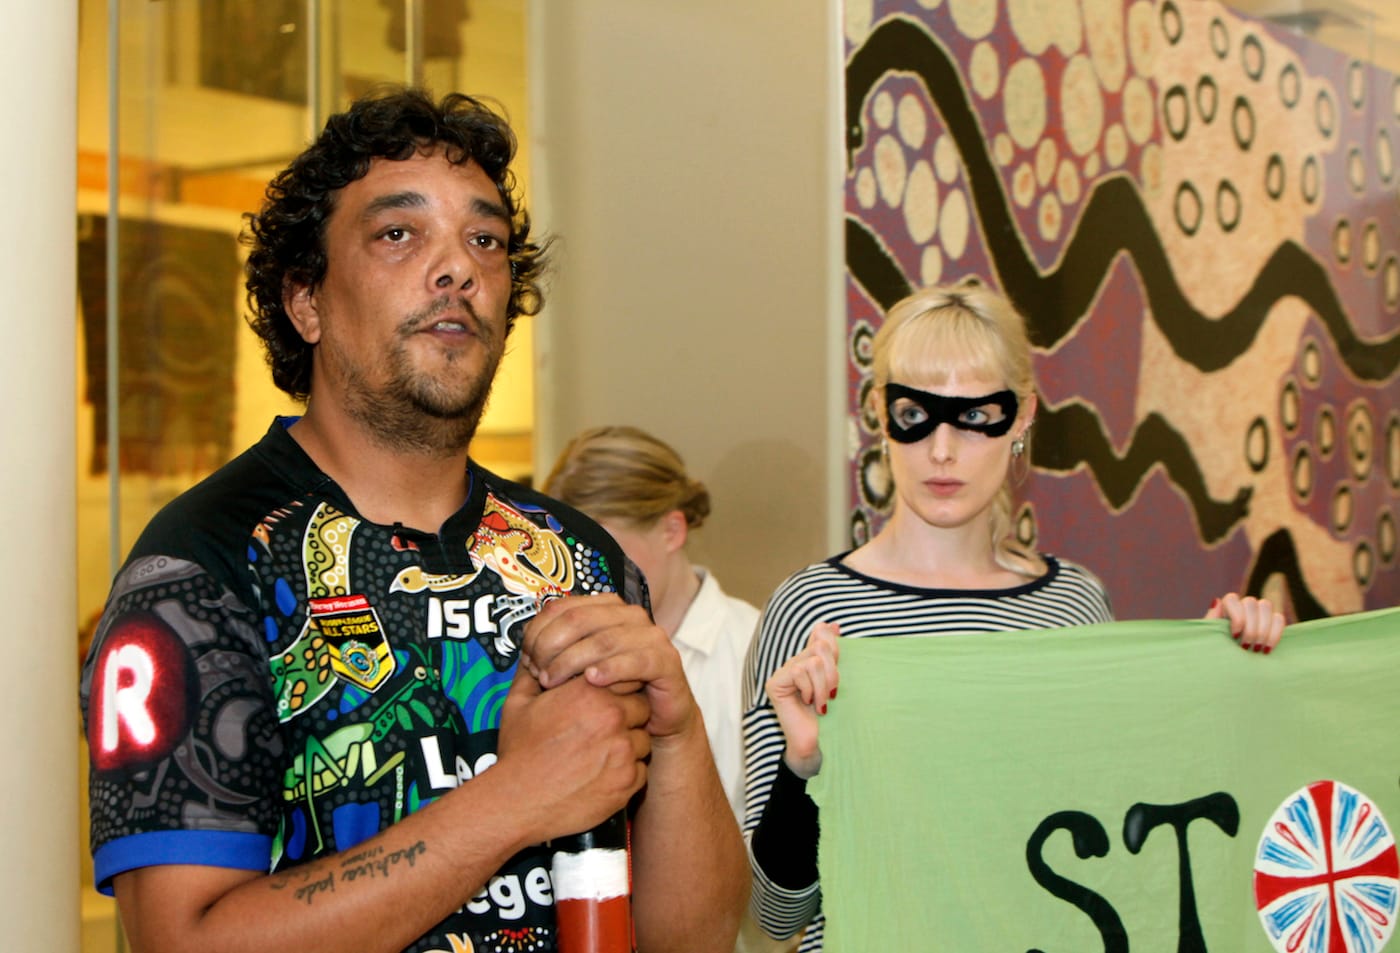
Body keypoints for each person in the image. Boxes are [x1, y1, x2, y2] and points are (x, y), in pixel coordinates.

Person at [79, 87, 747, 953]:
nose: (458, 268)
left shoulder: (579, 558)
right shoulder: (201, 570)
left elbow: (690, 938)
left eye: (486, 241)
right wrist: (515, 798)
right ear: (307, 300)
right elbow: (186, 941)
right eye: (399, 233)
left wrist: (681, 724)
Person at [740, 280, 1286, 953]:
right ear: (881, 415)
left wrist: (1233, 666)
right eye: (917, 413)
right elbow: (773, 914)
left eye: (975, 415)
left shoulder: (1074, 607)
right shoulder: (814, 611)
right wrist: (803, 765)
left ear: (1023, 416)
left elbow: (1130, 827)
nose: (943, 449)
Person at [543, 425, 760, 819]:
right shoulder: (561, 654)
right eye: (567, 559)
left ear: (672, 531)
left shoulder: (754, 651)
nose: (585, 580)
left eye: (606, 553)